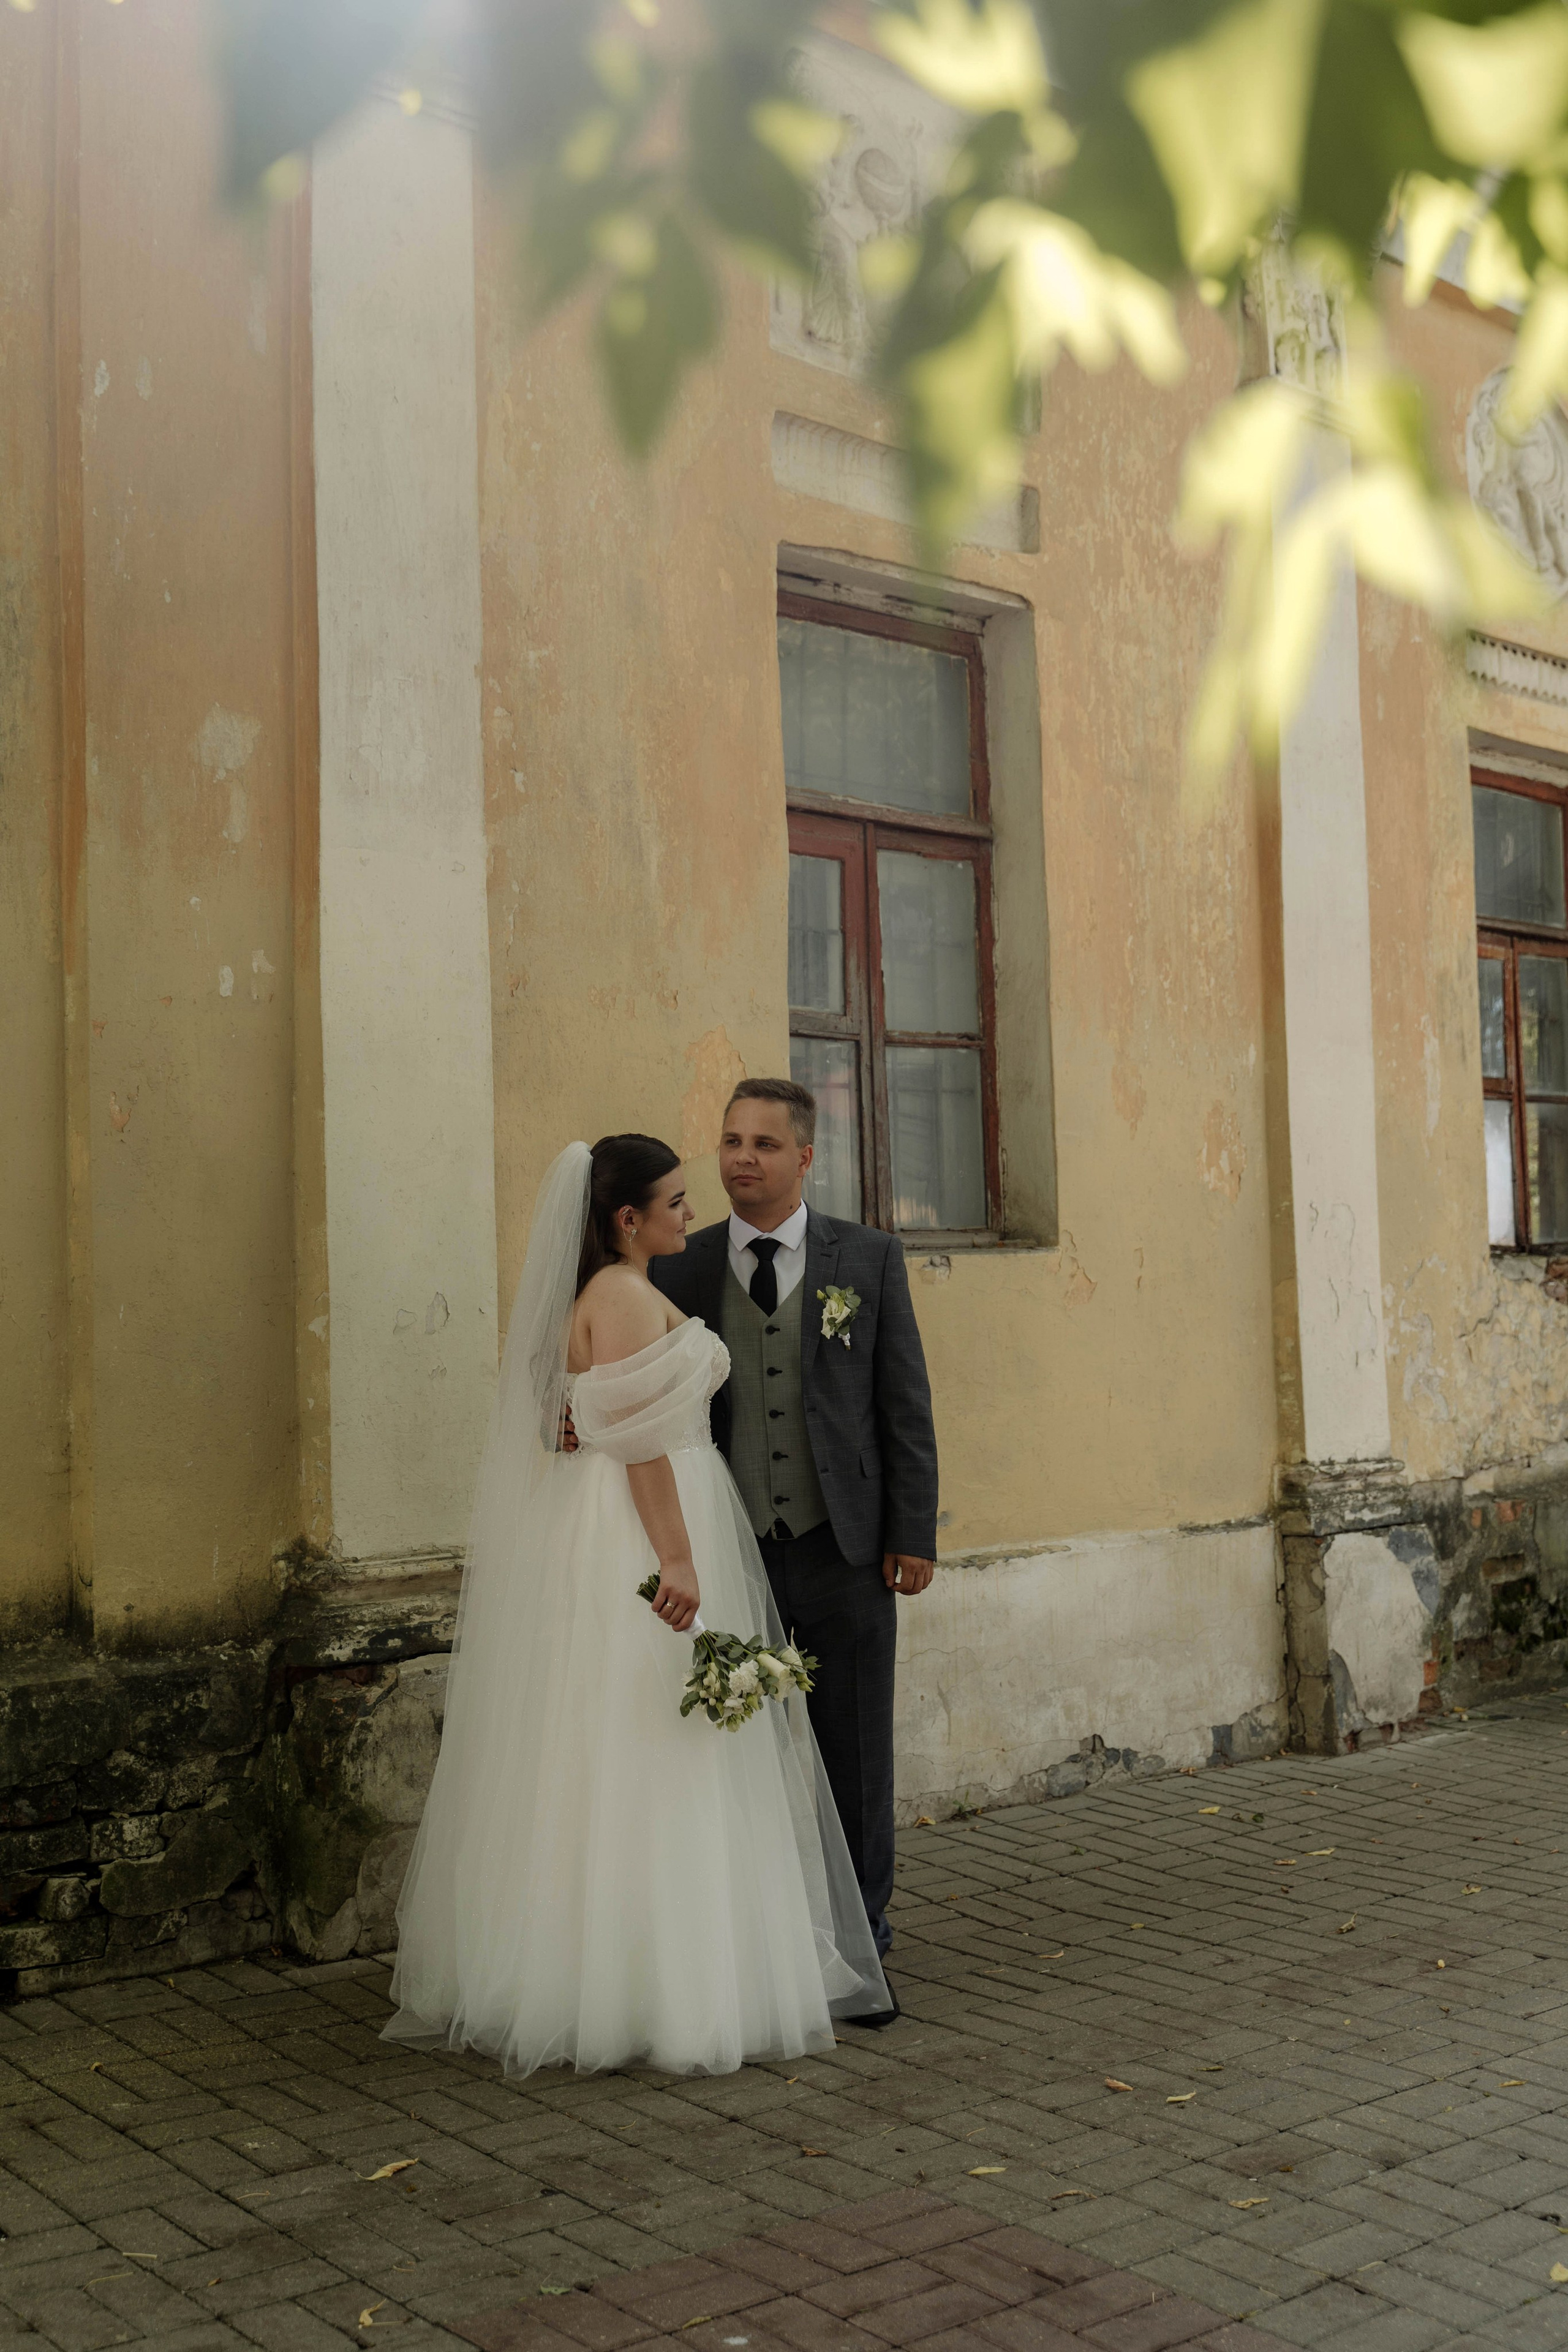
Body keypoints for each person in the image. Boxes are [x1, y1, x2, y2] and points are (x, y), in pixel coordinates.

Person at [382, 1135, 892, 2077]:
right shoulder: (618, 1294)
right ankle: (648, 1982)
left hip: (641, 1516)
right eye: (676, 1202)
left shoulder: (611, 1289)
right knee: (650, 1737)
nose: (690, 1215)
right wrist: (676, 1559)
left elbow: (571, 1417)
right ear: (628, 1219)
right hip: (645, 1525)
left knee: (639, 1733)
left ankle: (651, 1966)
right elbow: (639, 1443)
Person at [650, 1079, 938, 1996]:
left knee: (852, 1753)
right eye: (730, 1141)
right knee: (733, 1755)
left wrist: (912, 1530)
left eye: (764, 1145)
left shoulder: (869, 1258)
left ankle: (863, 1948)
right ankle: (759, 1944)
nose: (741, 1159)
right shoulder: (679, 1266)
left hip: (841, 1545)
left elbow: (903, 1407)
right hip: (731, 1550)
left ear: (805, 1157)